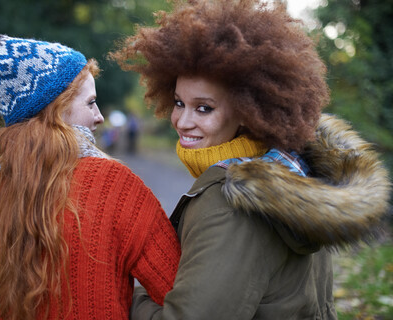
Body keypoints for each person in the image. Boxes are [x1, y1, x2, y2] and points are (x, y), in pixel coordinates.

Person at [110, 0, 391, 319]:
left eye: (204, 108)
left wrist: (127, 296)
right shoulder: (296, 171)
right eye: (178, 102)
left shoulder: (233, 203)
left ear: (247, 112)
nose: (182, 121)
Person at [0, 27, 180, 320]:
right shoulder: (115, 184)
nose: (99, 116)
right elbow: (176, 290)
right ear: (54, 110)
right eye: (90, 102)